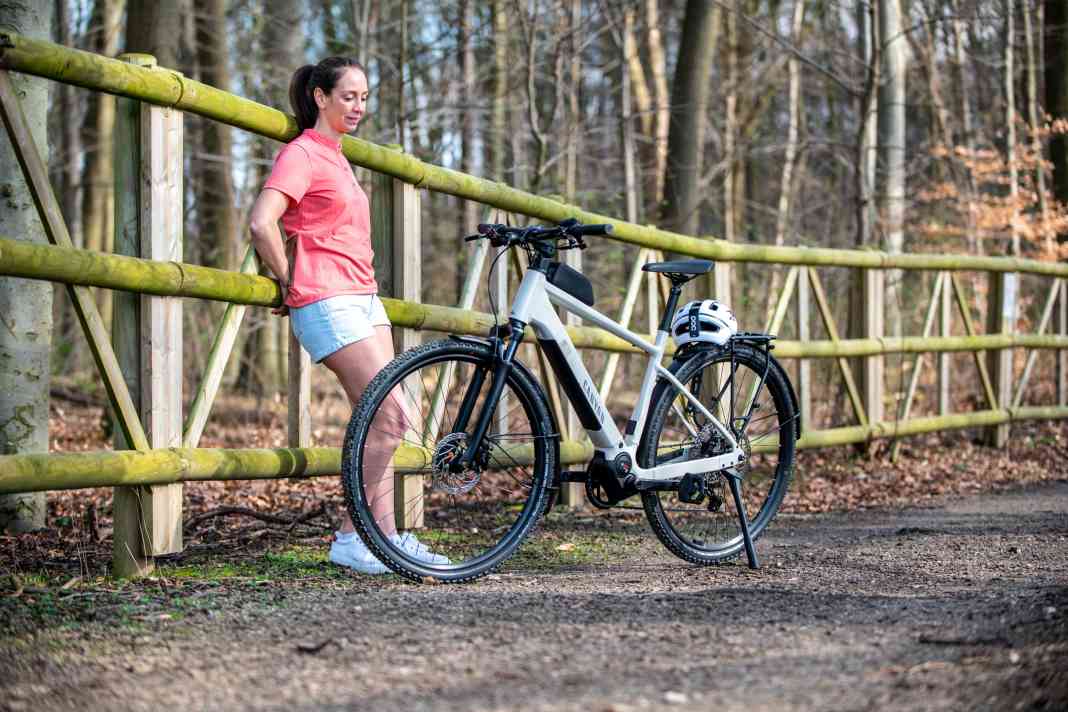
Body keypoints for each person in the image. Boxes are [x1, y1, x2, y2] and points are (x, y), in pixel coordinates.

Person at [249, 57, 447, 574]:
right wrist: (288, 280)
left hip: (363, 297)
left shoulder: (338, 157)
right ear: (320, 97)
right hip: (328, 300)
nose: (359, 106)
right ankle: (355, 538)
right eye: (348, 96)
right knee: (386, 416)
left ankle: (383, 539)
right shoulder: (303, 154)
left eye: (364, 97)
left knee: (393, 417)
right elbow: (261, 222)